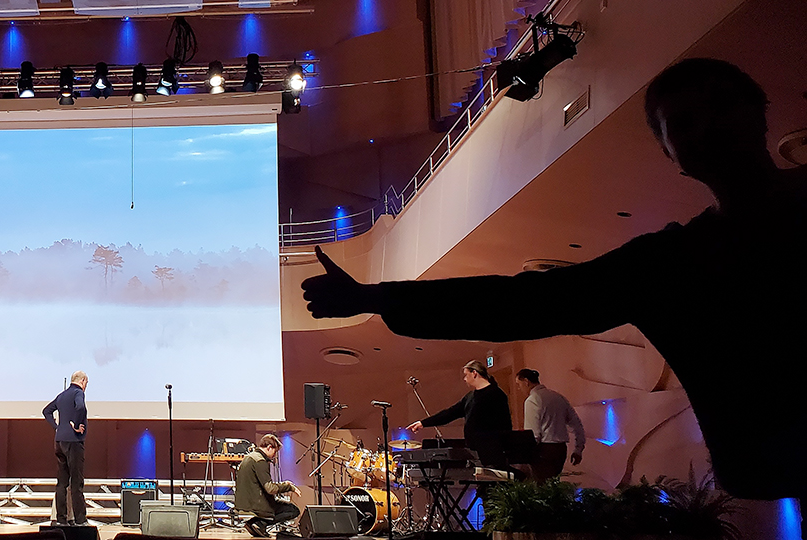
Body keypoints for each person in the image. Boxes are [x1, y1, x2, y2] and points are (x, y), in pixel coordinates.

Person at [301, 58, 805, 501]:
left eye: (720, 106)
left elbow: (523, 303)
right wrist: (375, 297)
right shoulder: (669, 264)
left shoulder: (671, 263)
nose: (708, 127)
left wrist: (375, 297)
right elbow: (522, 302)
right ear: (670, 154)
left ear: (758, 109)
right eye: (684, 122)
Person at [407, 360, 512, 468]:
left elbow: (505, 424)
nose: (464, 379)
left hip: (492, 451)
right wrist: (423, 423)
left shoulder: (496, 394)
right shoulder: (470, 397)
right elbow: (450, 413)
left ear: (474, 373)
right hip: (474, 451)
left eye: (466, 375)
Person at [515, 369, 586, 481]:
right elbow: (577, 424)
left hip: (543, 451)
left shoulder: (532, 400)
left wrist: (523, 456)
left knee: (541, 489)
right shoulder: (558, 397)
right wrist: (578, 449)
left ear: (526, 381)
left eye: (519, 384)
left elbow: (533, 435)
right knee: (553, 485)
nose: (519, 388)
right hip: (561, 450)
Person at [43, 371, 89, 525]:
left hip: (59, 441)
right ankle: (80, 520)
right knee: (76, 482)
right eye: (86, 384)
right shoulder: (78, 393)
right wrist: (76, 425)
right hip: (73, 442)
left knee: (62, 483)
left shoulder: (61, 395)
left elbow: (46, 411)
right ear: (82, 381)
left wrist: (57, 427)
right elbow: (81, 408)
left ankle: (61, 519)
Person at [234, 434, 301, 538]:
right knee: (293, 510)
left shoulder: (249, 457)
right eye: (275, 451)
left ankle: (253, 523)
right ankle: (260, 523)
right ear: (269, 447)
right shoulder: (260, 460)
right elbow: (270, 489)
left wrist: (284, 484)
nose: (275, 455)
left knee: (281, 505)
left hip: (245, 501)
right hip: (256, 503)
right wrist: (289, 487)